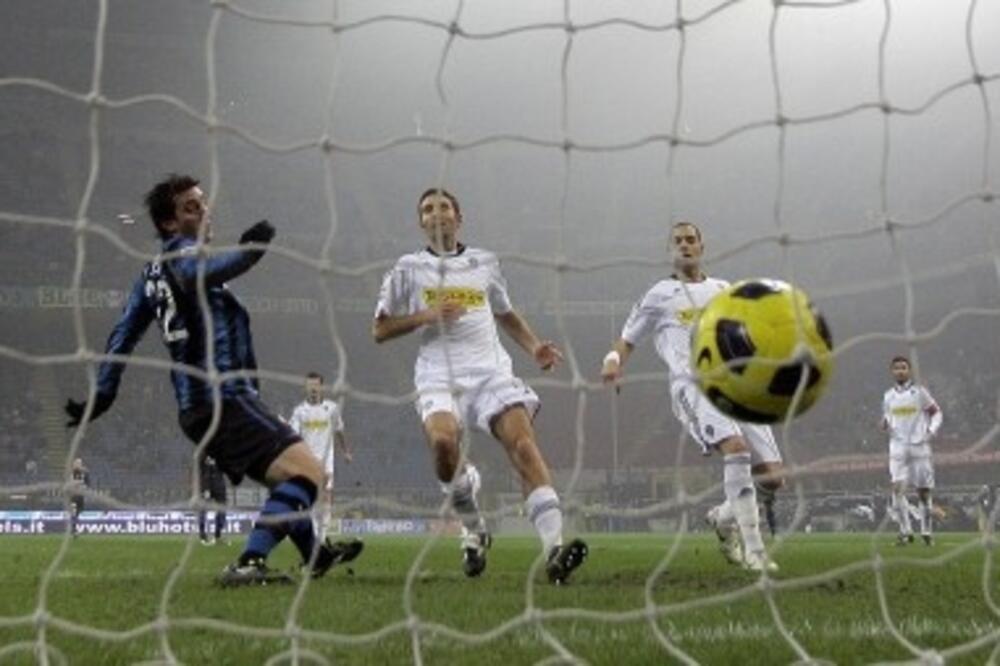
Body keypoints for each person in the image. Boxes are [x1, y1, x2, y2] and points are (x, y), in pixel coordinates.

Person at [64, 173, 362, 585]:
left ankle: (316, 556)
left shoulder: (149, 277)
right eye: (192, 207)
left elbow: (122, 337)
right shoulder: (182, 255)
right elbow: (194, 273)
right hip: (222, 397)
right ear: (169, 223)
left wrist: (103, 395)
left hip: (201, 407)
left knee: (285, 480)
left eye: (204, 203)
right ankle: (249, 562)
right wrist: (249, 252)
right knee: (309, 475)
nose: (205, 211)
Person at [372, 188, 587, 584]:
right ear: (421, 222)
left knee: (523, 446)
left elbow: (505, 313)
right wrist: (426, 315)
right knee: (443, 446)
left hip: (491, 375)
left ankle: (554, 551)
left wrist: (534, 347)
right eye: (427, 209)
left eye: (443, 207)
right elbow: (380, 330)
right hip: (438, 377)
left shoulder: (485, 262)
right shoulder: (408, 268)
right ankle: (473, 526)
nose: (436, 213)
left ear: (458, 217)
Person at [600, 221, 783, 573]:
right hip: (693, 386)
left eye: (690, 240)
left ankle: (723, 519)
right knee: (737, 449)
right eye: (677, 241)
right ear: (670, 250)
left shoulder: (723, 289)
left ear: (702, 246)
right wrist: (612, 362)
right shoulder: (659, 294)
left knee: (773, 478)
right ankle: (755, 551)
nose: (684, 245)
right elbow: (627, 338)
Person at [880, 355, 942, 546]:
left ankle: (926, 532)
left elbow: (937, 412)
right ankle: (906, 532)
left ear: (909, 371)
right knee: (897, 490)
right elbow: (888, 417)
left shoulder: (920, 392)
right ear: (892, 371)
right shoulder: (888, 396)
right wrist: (885, 423)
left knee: (923, 492)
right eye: (897, 368)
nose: (900, 371)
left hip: (919, 446)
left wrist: (931, 430)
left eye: (903, 367)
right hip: (897, 448)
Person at [288, 372, 353, 538]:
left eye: (316, 385)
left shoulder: (332, 409)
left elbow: (339, 431)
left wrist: (346, 451)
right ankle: (314, 531)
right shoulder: (299, 411)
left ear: (322, 387)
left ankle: (322, 535)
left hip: (326, 460)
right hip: (306, 460)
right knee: (311, 497)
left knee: (325, 496)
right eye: (310, 385)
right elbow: (292, 436)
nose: (313, 389)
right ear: (305, 388)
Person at [198, 455, 227, 545]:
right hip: (207, 487)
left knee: (222, 511)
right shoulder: (203, 454)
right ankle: (202, 536)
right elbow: (202, 469)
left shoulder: (221, 454)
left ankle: (217, 536)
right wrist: (205, 488)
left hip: (219, 487)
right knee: (203, 511)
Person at [69, 457, 89, 536]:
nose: (77, 465)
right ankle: (73, 530)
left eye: (79, 463)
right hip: (73, 496)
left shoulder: (85, 473)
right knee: (74, 511)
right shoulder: (71, 472)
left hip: (81, 496)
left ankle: (73, 528)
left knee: (78, 512)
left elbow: (87, 484)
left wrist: (83, 487)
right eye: (76, 463)